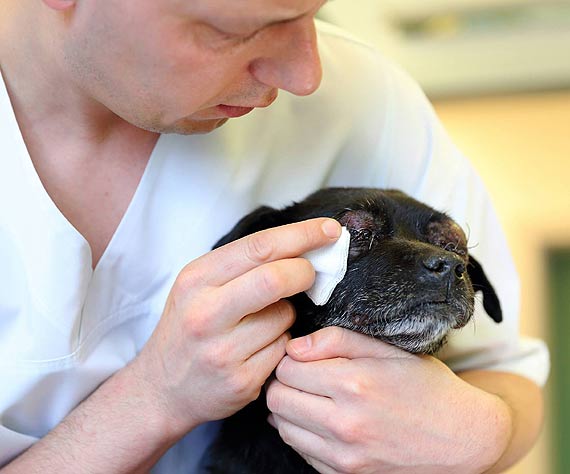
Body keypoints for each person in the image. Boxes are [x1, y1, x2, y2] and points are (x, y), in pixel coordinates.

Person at [0, 0, 549, 473]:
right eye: (234, 29)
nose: (306, 75)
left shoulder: (364, 101)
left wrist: (483, 436)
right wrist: (156, 398)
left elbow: (501, 372)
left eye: (312, 11)